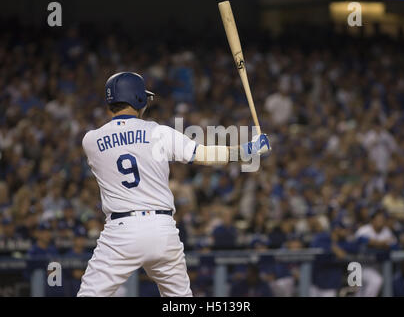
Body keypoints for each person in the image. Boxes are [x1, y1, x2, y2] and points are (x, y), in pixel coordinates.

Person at [77, 72, 271, 297]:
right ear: (139, 99)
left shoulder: (90, 140)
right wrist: (249, 150)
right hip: (162, 228)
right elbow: (204, 155)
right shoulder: (158, 132)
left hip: (120, 231)